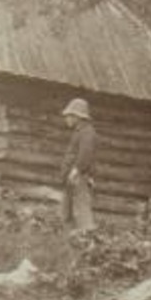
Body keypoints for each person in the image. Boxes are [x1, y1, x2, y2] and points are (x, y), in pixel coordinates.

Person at [59, 97, 98, 234]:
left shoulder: (87, 132)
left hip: (78, 177)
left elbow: (85, 154)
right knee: (67, 211)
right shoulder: (79, 132)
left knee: (82, 213)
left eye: (69, 116)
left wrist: (76, 171)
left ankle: (87, 243)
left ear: (78, 116)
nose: (66, 119)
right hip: (72, 177)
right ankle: (70, 242)